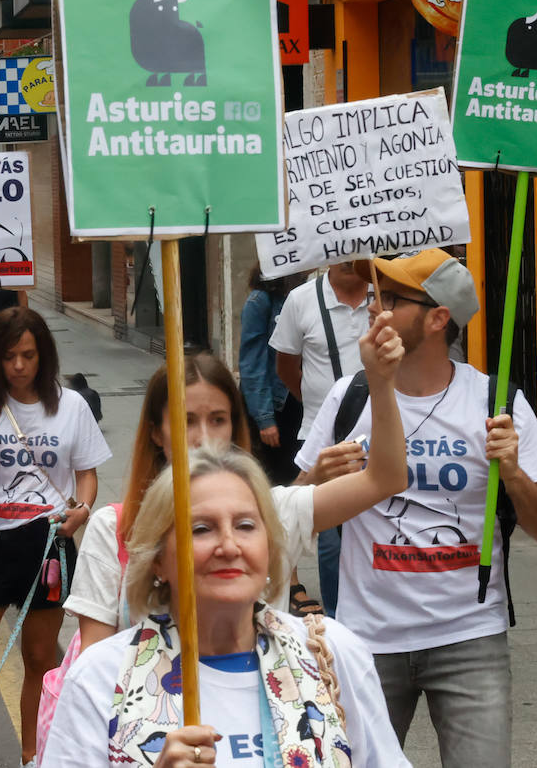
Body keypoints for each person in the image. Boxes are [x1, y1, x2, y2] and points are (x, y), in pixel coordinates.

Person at [297, 250, 537, 768]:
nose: (374, 308)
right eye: (374, 296)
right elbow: (291, 518)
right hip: (365, 642)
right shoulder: (349, 397)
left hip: (470, 639)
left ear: (438, 318)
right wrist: (316, 481)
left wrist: (512, 473)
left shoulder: (495, 403)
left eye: (391, 299)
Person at [38, 446, 410, 768]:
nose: (229, 546)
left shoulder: (331, 653)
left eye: (246, 525)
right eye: (201, 529)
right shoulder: (100, 678)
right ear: (157, 560)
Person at [67, 313, 407, 652]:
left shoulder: (274, 509)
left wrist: (380, 382)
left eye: (218, 420)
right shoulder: (114, 529)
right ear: (156, 432)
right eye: (186, 422)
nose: (203, 438)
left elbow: (385, 478)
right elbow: (93, 664)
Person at [0, 306, 107, 766]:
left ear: (44, 356)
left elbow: (86, 475)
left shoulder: (70, 404)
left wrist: (83, 509)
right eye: (10, 356)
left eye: (29, 355)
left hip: (48, 543)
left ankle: (33, 755)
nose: (19, 366)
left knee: (40, 659)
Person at [269, 262, 371, 616]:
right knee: (330, 541)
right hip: (322, 439)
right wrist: (327, 410)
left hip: (383, 438)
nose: (348, 255)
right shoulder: (300, 300)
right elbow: (285, 365)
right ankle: (337, 624)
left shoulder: (386, 295)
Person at [238, 266, 303, 486]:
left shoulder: (305, 294)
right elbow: (252, 364)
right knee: (273, 480)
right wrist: (265, 419)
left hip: (299, 402)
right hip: (275, 407)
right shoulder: (260, 301)